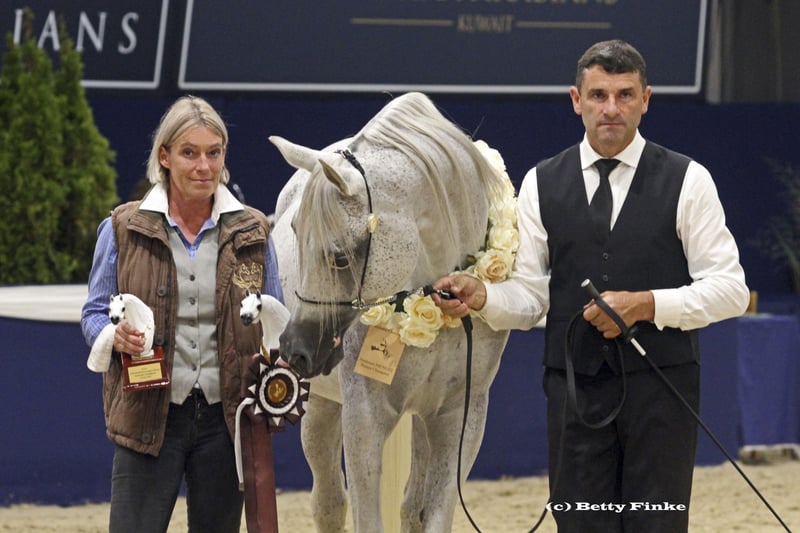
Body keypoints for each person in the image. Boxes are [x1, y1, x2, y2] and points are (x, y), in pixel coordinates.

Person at [433, 40, 749, 532]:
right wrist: (484, 296)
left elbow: (730, 290)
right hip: (574, 392)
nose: (611, 109)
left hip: (663, 390)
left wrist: (647, 304)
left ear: (646, 100)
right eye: (599, 95)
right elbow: (532, 296)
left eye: (625, 95)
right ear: (576, 100)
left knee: (656, 525)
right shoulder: (540, 183)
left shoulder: (689, 180)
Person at [81, 95, 283, 533]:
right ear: (165, 157)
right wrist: (113, 337)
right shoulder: (122, 227)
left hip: (226, 421)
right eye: (189, 153)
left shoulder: (254, 230)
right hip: (148, 416)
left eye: (214, 153)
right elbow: (94, 313)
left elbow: (276, 320)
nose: (203, 166)